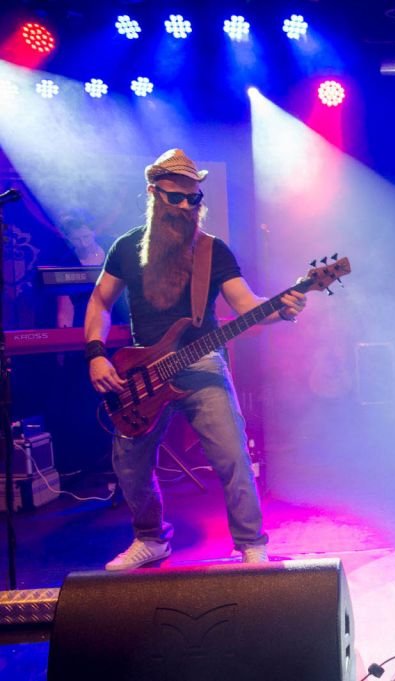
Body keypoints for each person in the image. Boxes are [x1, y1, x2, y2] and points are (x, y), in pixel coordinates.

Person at [85, 149, 307, 570]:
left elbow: (246, 305)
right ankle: (151, 538)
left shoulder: (212, 250)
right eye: (176, 197)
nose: (186, 206)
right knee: (130, 464)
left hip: (202, 363)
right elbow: (99, 301)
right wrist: (96, 354)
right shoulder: (127, 247)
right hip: (142, 373)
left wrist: (281, 309)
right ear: (153, 193)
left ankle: (251, 543)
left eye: (194, 199)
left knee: (232, 457)